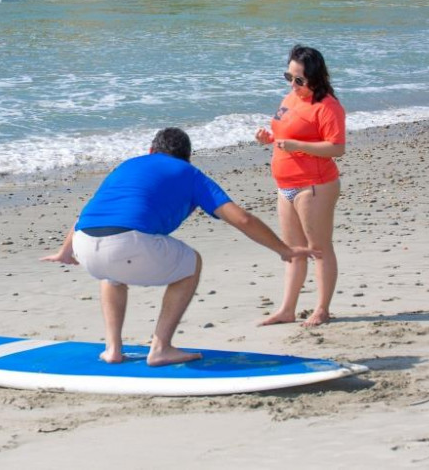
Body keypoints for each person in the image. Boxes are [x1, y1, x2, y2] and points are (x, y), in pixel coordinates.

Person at [42, 127, 315, 367]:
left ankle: (113, 348)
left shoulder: (128, 165)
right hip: (127, 243)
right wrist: (283, 249)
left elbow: (88, 212)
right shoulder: (189, 173)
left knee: (111, 276)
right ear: (187, 157)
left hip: (84, 244)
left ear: (151, 150)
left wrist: (65, 252)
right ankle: (161, 348)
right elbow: (242, 219)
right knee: (190, 263)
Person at [255, 45, 346, 327]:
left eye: (299, 80)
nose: (293, 85)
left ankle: (322, 309)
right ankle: (287, 309)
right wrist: (268, 139)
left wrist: (297, 145)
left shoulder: (327, 106)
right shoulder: (290, 98)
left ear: (315, 79)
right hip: (285, 185)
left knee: (318, 248)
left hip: (314, 185)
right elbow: (285, 133)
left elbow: (337, 148)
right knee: (293, 249)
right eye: (289, 77)